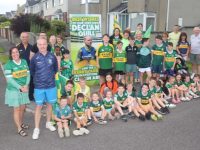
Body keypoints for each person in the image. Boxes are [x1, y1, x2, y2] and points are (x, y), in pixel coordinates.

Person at [30, 38, 58, 140]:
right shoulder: (34, 58)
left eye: (44, 44)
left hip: (51, 85)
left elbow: (55, 69)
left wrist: (49, 78)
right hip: (39, 87)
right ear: (37, 45)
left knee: (50, 104)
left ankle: (48, 123)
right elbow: (32, 71)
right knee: (39, 106)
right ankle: (36, 128)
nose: (42, 46)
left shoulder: (52, 56)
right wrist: (39, 80)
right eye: (40, 44)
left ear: (47, 45)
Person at [4, 47, 30, 137]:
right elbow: (10, 80)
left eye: (16, 52)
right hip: (14, 90)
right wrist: (20, 87)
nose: (15, 54)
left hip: (24, 88)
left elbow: (28, 74)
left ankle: (21, 123)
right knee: (17, 109)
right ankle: (19, 128)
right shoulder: (8, 65)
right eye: (13, 53)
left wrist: (26, 85)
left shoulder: (24, 62)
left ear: (19, 53)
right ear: (11, 55)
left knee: (23, 108)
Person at [17, 32, 34, 101]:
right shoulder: (17, 47)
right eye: (23, 37)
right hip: (21, 69)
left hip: (30, 68)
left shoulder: (32, 47)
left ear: (28, 38)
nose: (24, 38)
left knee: (31, 83)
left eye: (26, 37)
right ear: (20, 38)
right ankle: (22, 97)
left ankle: (30, 97)